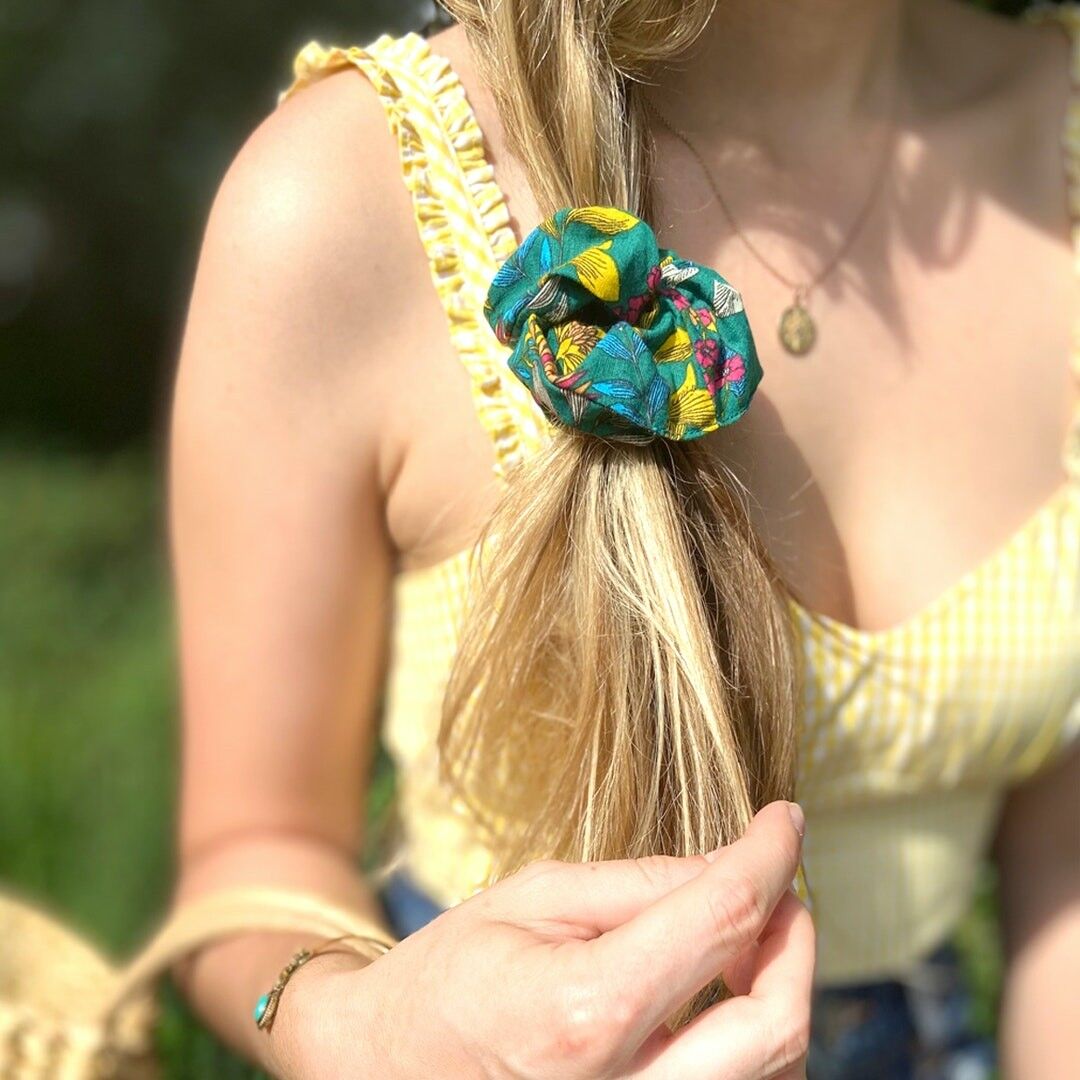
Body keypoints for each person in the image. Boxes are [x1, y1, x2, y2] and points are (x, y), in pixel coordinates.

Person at [166, 0, 1079, 1076]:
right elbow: (249, 855)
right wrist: (358, 1029)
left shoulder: (1056, 128)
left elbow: (1060, 858)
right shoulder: (345, 199)